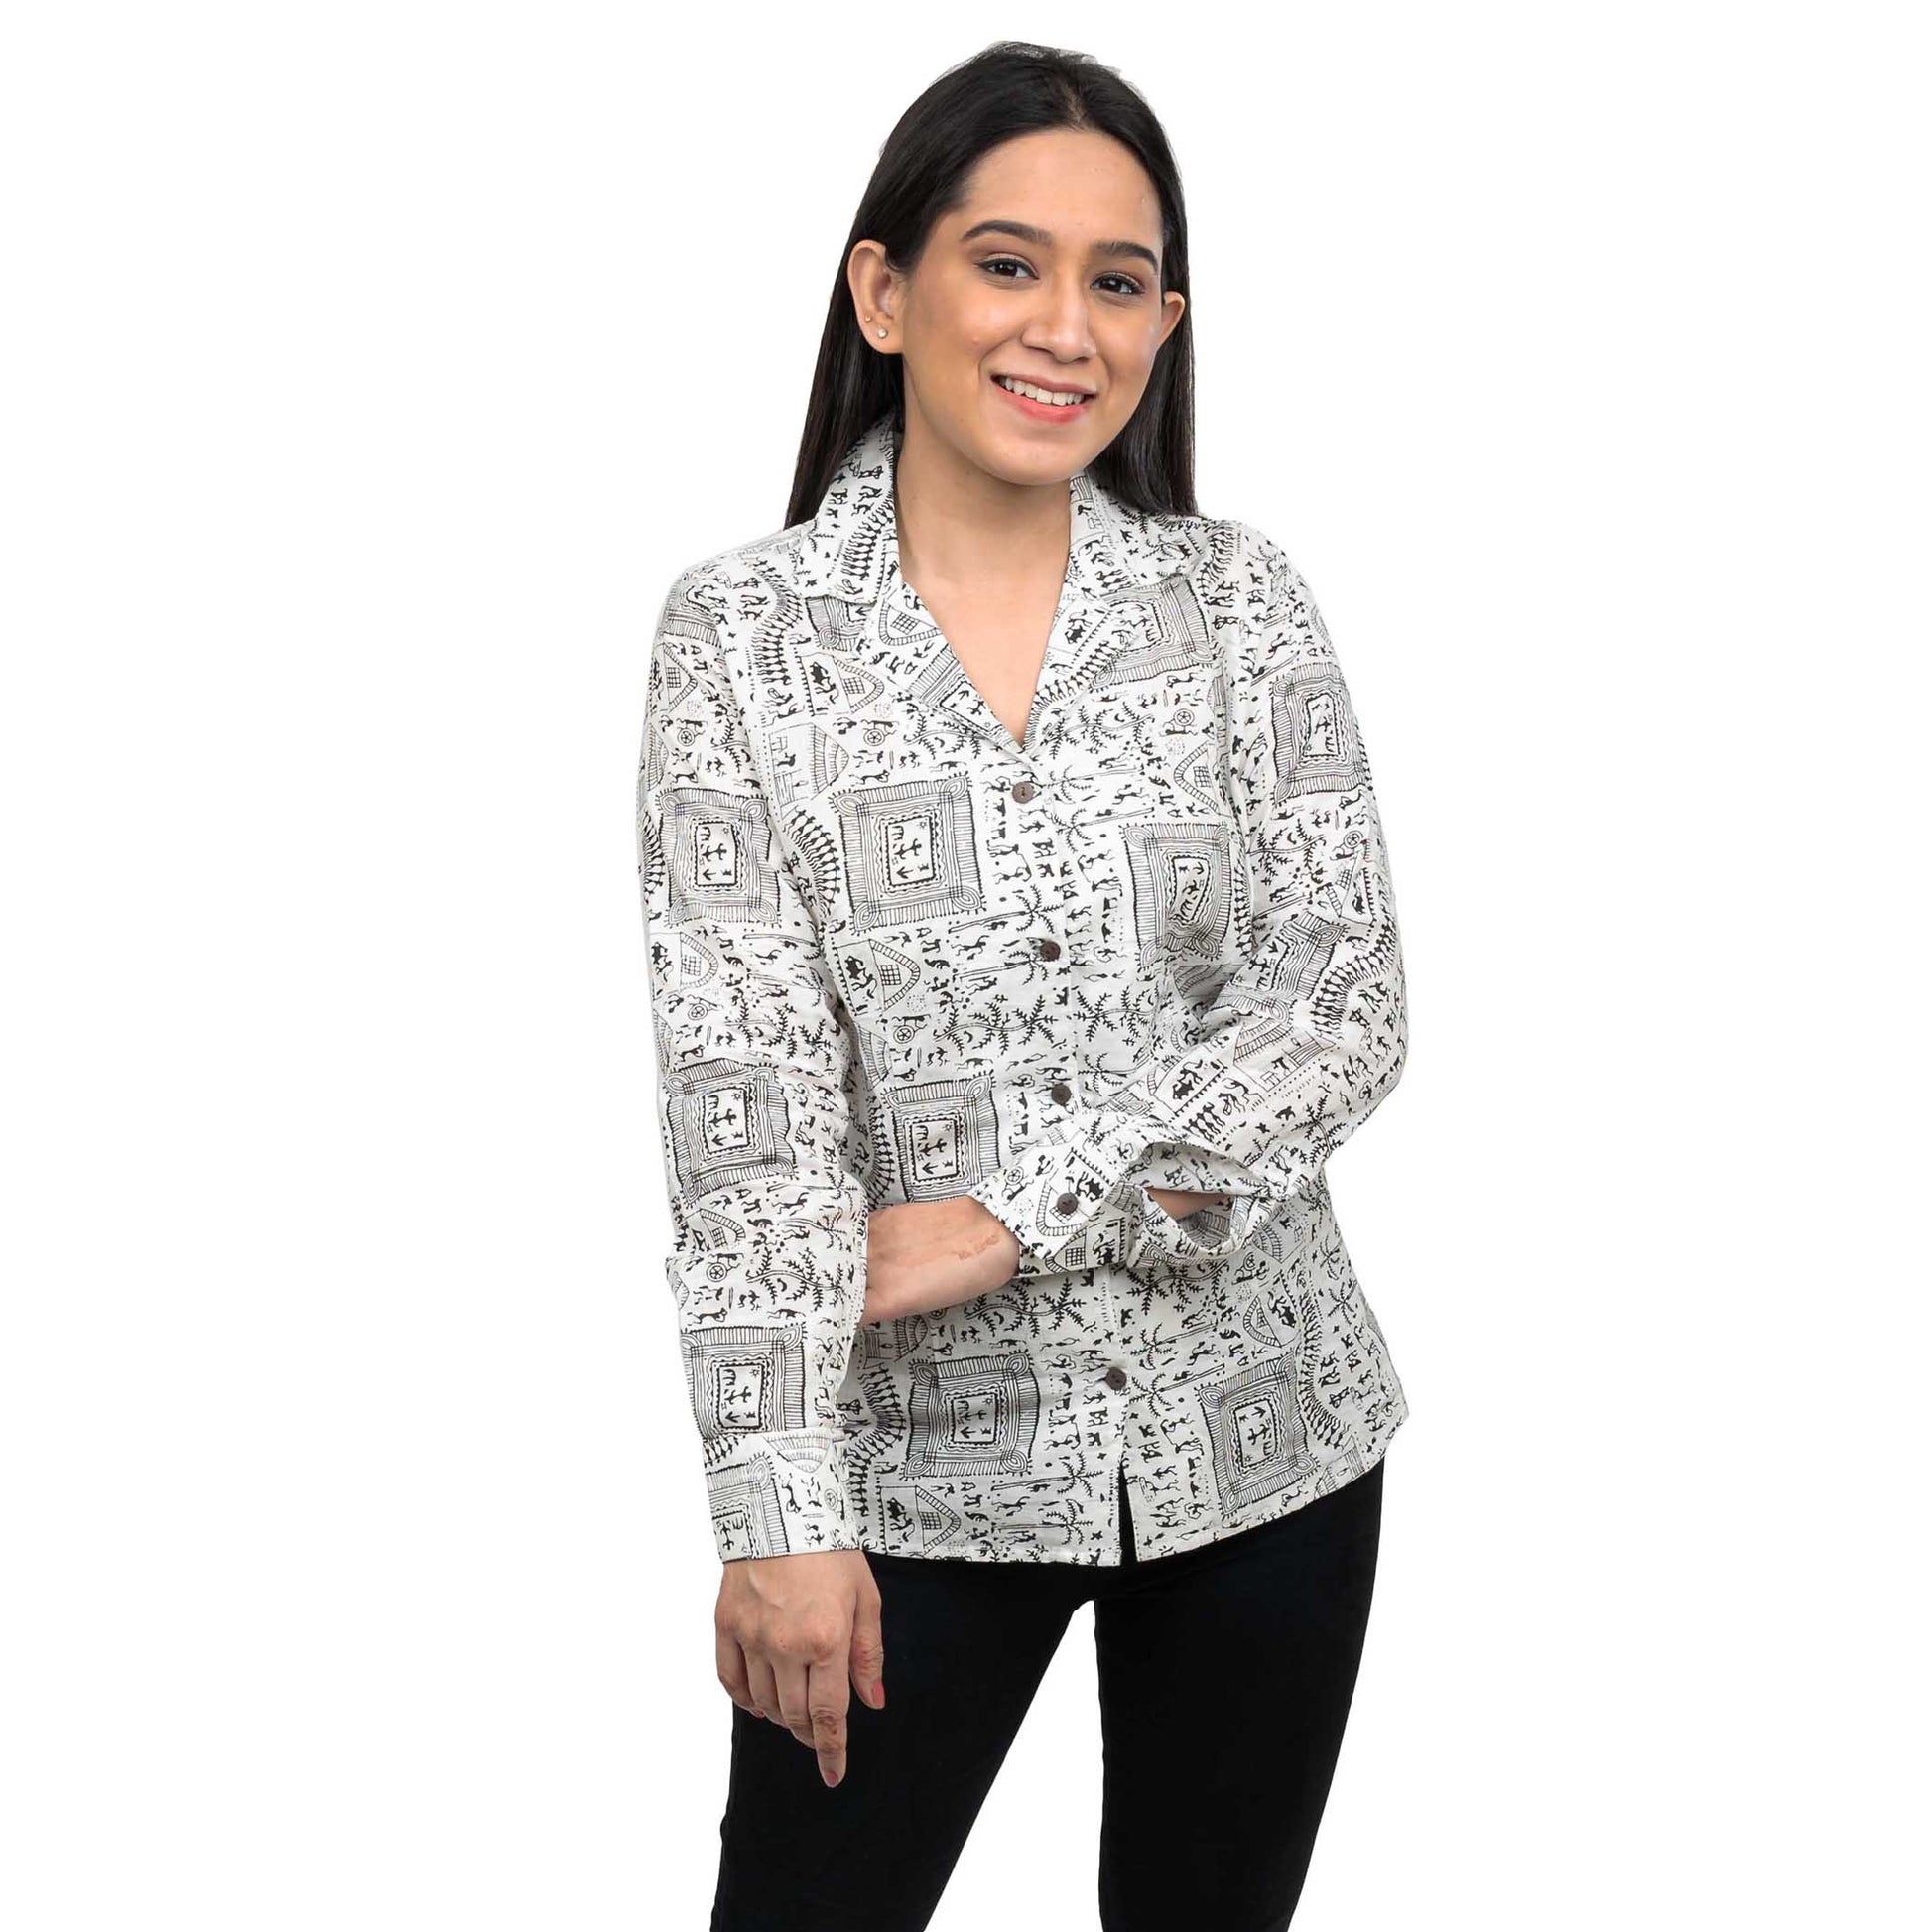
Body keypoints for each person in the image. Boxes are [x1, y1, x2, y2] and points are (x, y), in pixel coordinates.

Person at [636, 40, 1412, 1932]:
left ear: (1163, 326)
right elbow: (745, 1116)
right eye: (1006, 263)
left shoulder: (1237, 603)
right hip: (907, 1477)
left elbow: (1342, 1001)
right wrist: (777, 1510)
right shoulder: (739, 641)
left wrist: (1006, 1218)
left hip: (1265, 1437)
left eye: (1117, 280)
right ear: (884, 292)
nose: (1065, 326)